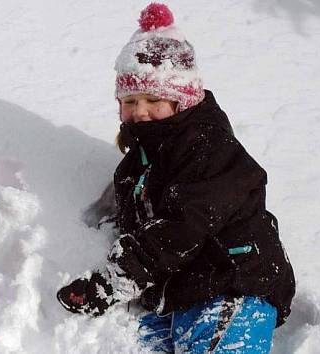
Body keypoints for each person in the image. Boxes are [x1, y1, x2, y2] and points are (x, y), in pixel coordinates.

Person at [57, 3, 295, 353]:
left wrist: (112, 283)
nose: (139, 110)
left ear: (181, 100)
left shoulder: (208, 147)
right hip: (182, 297)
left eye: (153, 98)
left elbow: (181, 227)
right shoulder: (136, 164)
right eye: (130, 100)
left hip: (232, 286)